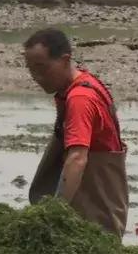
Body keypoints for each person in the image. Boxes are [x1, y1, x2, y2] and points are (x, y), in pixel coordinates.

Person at [23, 28, 129, 235]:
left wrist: (54, 213)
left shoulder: (80, 98)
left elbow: (77, 159)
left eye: (42, 68)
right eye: (31, 69)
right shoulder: (78, 85)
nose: (36, 77)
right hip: (93, 202)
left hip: (95, 209)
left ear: (65, 60)